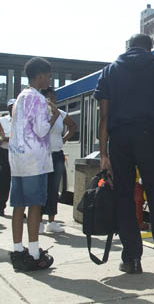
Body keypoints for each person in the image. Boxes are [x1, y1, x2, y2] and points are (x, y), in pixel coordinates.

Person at [94, 33, 154, 275]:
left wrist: (103, 153)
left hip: (119, 139)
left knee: (124, 196)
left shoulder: (109, 72)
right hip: (149, 138)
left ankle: (131, 259)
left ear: (128, 47)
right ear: (150, 49)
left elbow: (103, 116)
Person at [8, 57, 59, 272]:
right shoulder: (38, 99)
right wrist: (53, 115)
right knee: (35, 205)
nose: (50, 80)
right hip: (34, 161)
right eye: (48, 76)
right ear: (40, 75)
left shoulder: (20, 97)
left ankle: (18, 249)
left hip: (17, 160)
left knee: (19, 206)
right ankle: (35, 253)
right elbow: (41, 130)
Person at [39, 86, 77, 233]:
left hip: (57, 154)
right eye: (50, 97)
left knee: (54, 189)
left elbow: (73, 126)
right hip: (42, 155)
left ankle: (52, 221)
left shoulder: (61, 114)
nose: (53, 100)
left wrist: (64, 139)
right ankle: (39, 221)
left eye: (54, 97)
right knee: (42, 188)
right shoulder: (40, 114)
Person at [0, 99, 16, 216]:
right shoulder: (2, 120)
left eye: (14, 106)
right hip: (4, 154)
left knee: (17, 182)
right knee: (4, 182)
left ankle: (19, 209)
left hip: (18, 155)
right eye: (11, 106)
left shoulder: (23, 122)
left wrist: (6, 139)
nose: (12, 108)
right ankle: (1, 207)